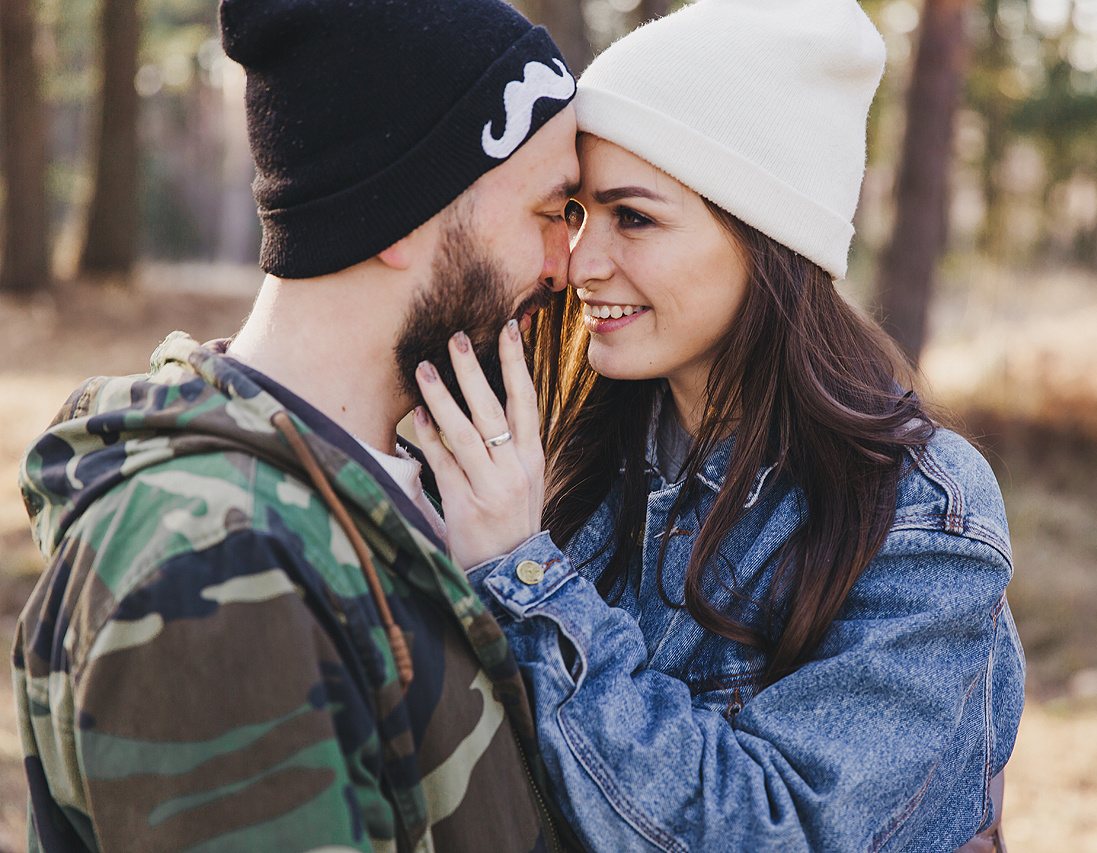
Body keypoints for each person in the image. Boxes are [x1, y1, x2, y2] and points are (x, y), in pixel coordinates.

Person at [411, 0, 1025, 850]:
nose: (581, 263)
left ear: (766, 233)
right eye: (579, 213)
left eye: (635, 216)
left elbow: (777, 829)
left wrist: (524, 584)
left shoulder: (917, 513)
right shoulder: (574, 461)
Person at [12, 0, 584, 850]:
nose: (566, 267)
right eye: (550, 211)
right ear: (407, 211)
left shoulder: (405, 496)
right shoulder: (213, 565)